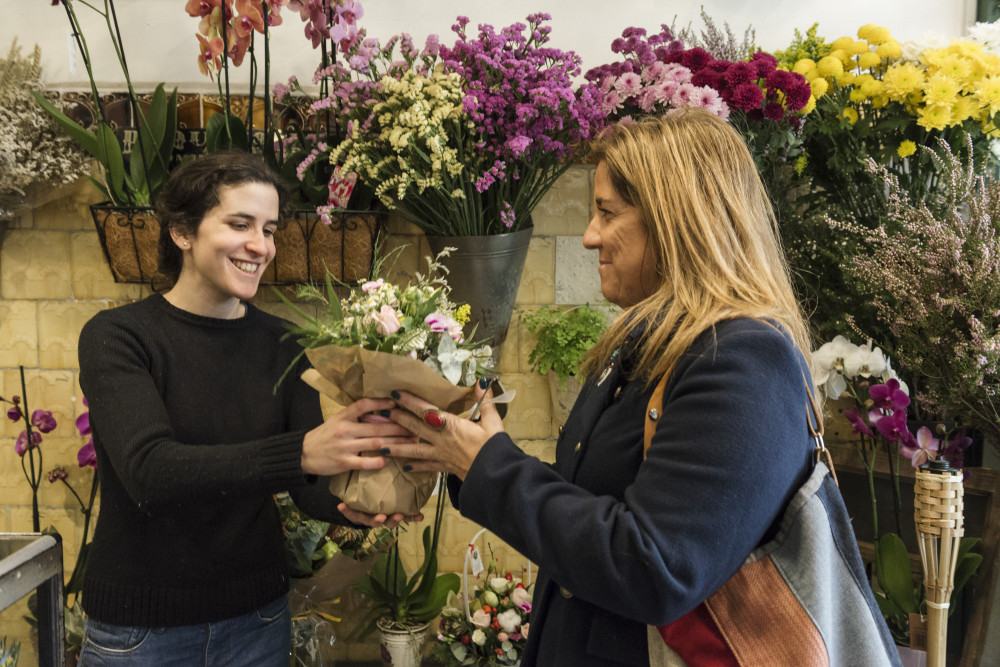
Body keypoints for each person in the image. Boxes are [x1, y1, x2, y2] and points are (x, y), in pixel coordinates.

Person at [379, 110, 891, 665]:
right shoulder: (650, 345)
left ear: (677, 222)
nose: (589, 235)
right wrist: (465, 455)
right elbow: (600, 508)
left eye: (606, 212)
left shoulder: (742, 361)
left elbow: (656, 566)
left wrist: (491, 468)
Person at [76, 152, 414, 666]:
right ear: (183, 233)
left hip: (256, 623)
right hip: (140, 633)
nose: (261, 246)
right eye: (240, 224)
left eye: (270, 229)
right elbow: (150, 470)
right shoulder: (119, 337)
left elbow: (310, 493)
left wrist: (364, 497)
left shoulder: (284, 343)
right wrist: (302, 452)